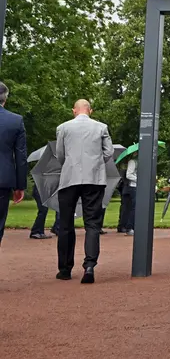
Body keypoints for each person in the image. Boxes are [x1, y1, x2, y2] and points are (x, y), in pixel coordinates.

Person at [55, 99, 113, 283]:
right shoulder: (101, 127)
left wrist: (70, 164)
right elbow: (109, 152)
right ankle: (89, 266)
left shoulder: (63, 128)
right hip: (94, 179)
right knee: (92, 223)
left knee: (65, 224)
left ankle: (65, 268)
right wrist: (95, 163)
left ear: (74, 111)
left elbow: (60, 154)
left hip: (69, 178)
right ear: (90, 111)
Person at [0, 81, 27, 247]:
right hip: (3, 179)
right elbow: (21, 156)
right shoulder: (15, 121)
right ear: (5, 99)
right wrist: (20, 186)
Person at [122, 158, 137, 236]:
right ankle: (129, 227)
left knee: (135, 207)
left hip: (136, 187)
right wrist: (140, 179)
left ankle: (132, 226)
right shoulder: (133, 161)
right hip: (133, 187)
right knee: (134, 207)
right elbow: (129, 175)